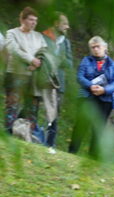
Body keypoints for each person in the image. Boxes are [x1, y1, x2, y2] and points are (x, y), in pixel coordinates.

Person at [68, 36, 114, 159]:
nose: (96, 49)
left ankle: (93, 157)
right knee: (81, 125)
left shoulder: (113, 65)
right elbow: (80, 77)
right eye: (93, 47)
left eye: (98, 46)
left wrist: (104, 90)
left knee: (99, 128)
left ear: (105, 47)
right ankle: (72, 152)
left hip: (106, 99)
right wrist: (91, 86)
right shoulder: (86, 61)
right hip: (87, 97)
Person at [4, 7, 46, 135]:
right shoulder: (12, 33)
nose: (33, 23)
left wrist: (37, 62)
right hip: (15, 74)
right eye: (31, 20)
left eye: (35, 21)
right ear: (22, 19)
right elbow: (14, 50)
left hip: (33, 76)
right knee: (12, 104)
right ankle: (8, 133)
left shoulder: (38, 36)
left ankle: (28, 134)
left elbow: (44, 52)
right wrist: (31, 60)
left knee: (32, 107)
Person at [41, 12, 71, 151]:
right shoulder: (43, 36)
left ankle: (50, 143)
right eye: (64, 23)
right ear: (55, 23)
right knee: (34, 109)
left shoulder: (66, 42)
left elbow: (69, 64)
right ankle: (25, 133)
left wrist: (59, 60)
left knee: (54, 114)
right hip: (42, 80)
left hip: (58, 83)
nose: (68, 27)